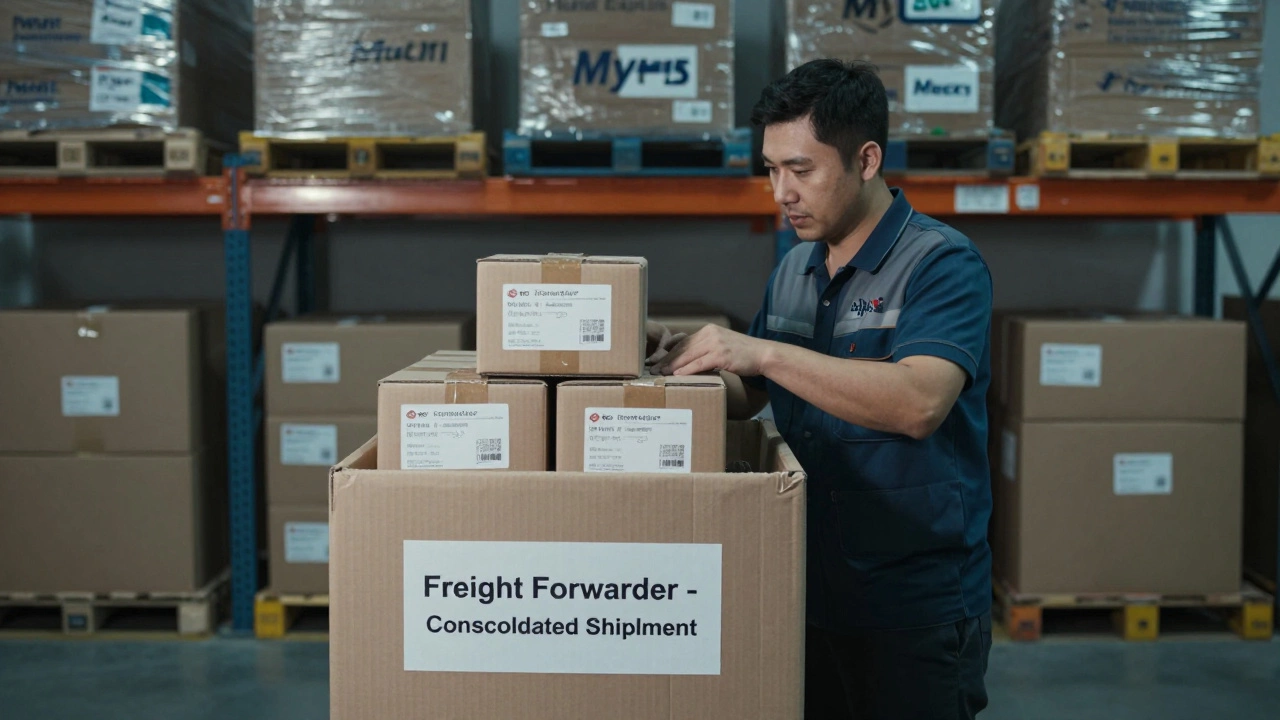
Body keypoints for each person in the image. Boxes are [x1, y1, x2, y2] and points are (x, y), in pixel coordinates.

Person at [655, 59, 994, 719]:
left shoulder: (942, 265)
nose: (781, 191)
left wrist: (764, 352)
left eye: (801, 170)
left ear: (866, 159)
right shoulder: (795, 267)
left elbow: (919, 402)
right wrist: (665, 367)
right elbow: (752, 390)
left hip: (912, 605)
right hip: (808, 587)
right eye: (771, 170)